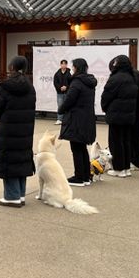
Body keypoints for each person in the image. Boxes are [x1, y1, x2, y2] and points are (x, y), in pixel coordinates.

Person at [0, 56, 36, 206]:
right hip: (26, 130)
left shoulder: (5, 87)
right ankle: (21, 194)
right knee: (21, 159)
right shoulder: (30, 87)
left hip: (8, 130)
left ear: (11, 67)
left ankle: (12, 196)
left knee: (9, 160)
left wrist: (5, 119)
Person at [58, 58, 97, 186]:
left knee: (76, 148)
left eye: (73, 66)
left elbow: (69, 99)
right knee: (82, 147)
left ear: (76, 68)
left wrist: (61, 109)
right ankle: (86, 176)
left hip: (76, 119)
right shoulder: (89, 82)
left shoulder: (76, 82)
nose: (72, 68)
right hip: (87, 119)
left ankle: (79, 177)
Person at [101, 55, 138, 177]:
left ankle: (118, 168)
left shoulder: (115, 78)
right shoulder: (132, 77)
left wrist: (105, 107)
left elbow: (106, 96)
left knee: (116, 142)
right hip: (129, 115)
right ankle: (126, 168)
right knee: (126, 141)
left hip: (116, 115)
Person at [53, 60, 72, 125]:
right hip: (59, 93)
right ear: (60, 65)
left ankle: (67, 119)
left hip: (67, 92)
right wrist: (60, 88)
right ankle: (59, 119)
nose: (63, 65)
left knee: (67, 106)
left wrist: (66, 87)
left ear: (66, 65)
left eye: (65, 64)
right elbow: (55, 83)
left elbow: (71, 83)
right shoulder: (57, 73)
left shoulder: (69, 73)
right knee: (60, 106)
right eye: (62, 64)